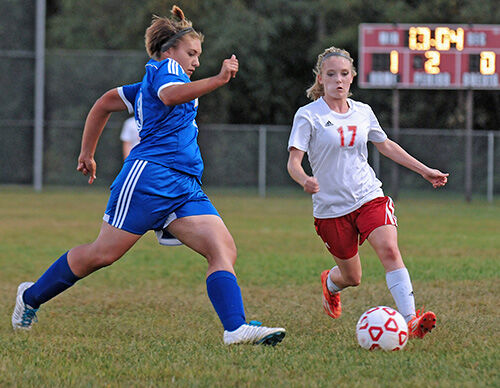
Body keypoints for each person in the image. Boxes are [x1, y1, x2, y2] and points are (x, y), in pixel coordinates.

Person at [12, 5, 285, 346]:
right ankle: (31, 297)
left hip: (184, 185)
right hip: (149, 178)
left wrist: (87, 152)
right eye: (192, 53)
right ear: (170, 51)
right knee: (102, 254)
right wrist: (217, 79)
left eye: (198, 55)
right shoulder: (166, 70)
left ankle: (235, 328)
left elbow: (103, 103)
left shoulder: (148, 84)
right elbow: (169, 95)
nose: (196, 61)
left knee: (222, 248)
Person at [287, 46, 448, 339]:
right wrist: (304, 179)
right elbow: (293, 162)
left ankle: (410, 320)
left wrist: (424, 170)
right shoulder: (308, 115)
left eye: (344, 74)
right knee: (353, 277)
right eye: (331, 74)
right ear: (320, 78)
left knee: (389, 249)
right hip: (330, 209)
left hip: (368, 195)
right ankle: (331, 284)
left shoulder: (363, 112)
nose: (338, 80)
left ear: (352, 77)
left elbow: (385, 145)